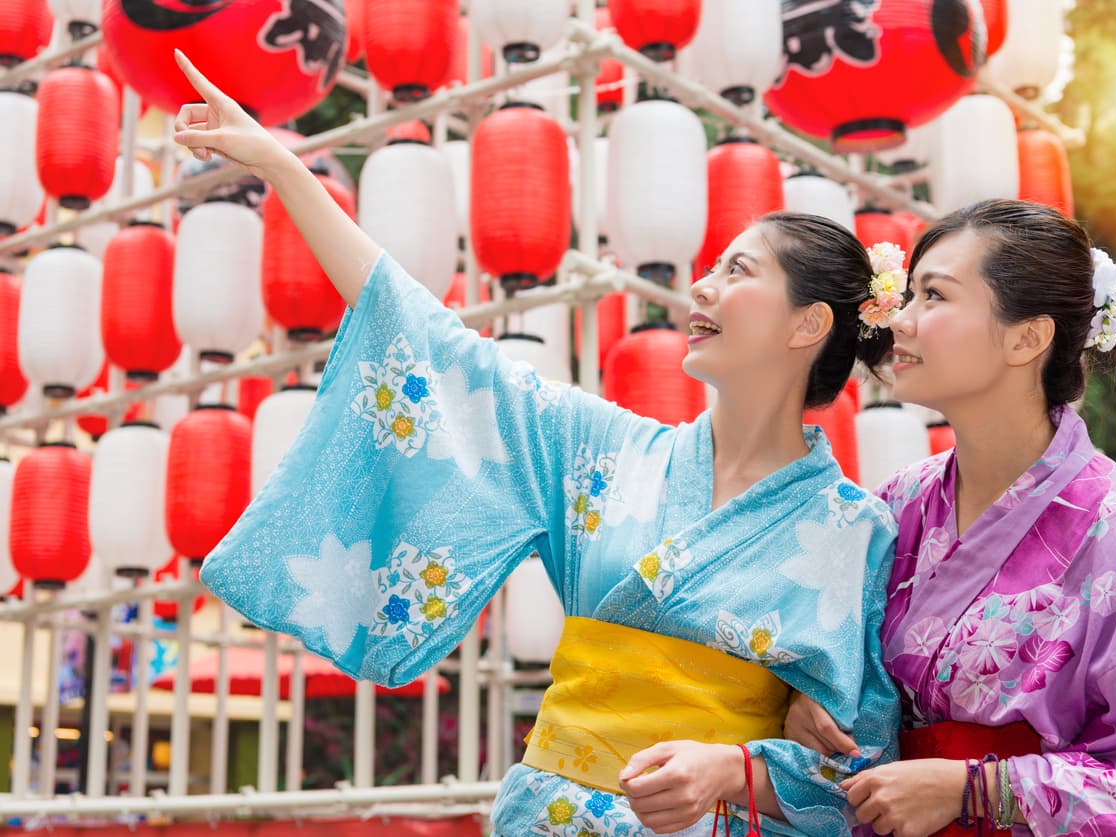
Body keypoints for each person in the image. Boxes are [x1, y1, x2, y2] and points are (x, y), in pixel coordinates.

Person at [170, 51, 903, 836]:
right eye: (713, 266)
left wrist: (739, 766)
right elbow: (431, 340)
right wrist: (283, 166)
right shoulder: (600, 449)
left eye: (738, 270)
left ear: (808, 324)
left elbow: (863, 768)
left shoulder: (856, 529)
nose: (702, 286)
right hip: (548, 814)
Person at [784, 199, 1116, 836]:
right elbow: (840, 669)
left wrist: (979, 788)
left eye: (935, 297)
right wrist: (812, 701)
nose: (902, 322)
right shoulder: (899, 503)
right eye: (909, 295)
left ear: (1027, 337)